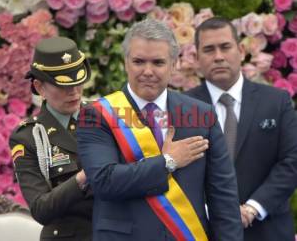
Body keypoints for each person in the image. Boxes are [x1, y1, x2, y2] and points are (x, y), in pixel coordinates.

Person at [77, 18, 243, 241]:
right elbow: (104, 182)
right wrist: (167, 162)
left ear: (173, 64)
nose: (147, 71)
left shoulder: (202, 114)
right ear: (125, 62)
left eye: (157, 62)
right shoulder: (97, 115)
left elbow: (223, 197)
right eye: (138, 62)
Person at [185, 17, 297, 241]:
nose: (218, 56)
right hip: (204, 232)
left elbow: (292, 160)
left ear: (241, 49)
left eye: (225, 47)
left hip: (268, 230)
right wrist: (213, 214)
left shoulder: (277, 101)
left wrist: (252, 209)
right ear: (196, 58)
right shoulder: (181, 108)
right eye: (209, 50)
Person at [10, 36, 93, 241]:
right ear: (39, 87)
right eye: (63, 85)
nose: (73, 92)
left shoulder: (105, 117)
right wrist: (83, 177)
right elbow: (40, 208)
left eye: (77, 82)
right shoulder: (29, 136)